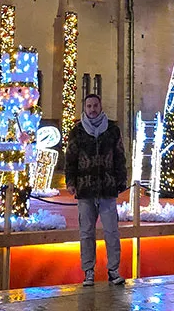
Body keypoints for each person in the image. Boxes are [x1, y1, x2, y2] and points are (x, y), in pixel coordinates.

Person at [65, 93, 126, 287]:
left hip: (107, 187)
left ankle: (113, 270)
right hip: (85, 188)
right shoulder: (77, 131)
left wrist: (121, 180)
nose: (92, 109)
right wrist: (70, 181)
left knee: (112, 231)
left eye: (95, 106)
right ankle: (88, 271)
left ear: (100, 107)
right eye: (89, 106)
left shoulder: (112, 130)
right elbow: (70, 158)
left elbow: (119, 156)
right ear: (85, 108)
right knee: (86, 232)